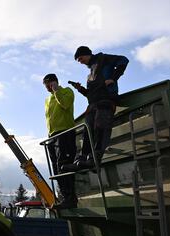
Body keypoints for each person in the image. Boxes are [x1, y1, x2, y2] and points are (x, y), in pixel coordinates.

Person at [64, 46, 129, 171]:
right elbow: (90, 94)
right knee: (87, 131)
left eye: (80, 58)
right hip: (92, 104)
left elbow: (124, 60)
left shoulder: (103, 59)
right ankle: (82, 159)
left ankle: (95, 159)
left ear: (87, 54)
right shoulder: (90, 75)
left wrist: (113, 78)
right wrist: (80, 89)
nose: (80, 61)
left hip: (106, 101)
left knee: (100, 127)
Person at [43, 74, 78, 209]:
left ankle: (70, 198)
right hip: (52, 135)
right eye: (45, 85)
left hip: (65, 132)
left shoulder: (67, 91)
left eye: (47, 84)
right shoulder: (47, 99)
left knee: (63, 164)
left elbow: (65, 104)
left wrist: (57, 90)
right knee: (56, 168)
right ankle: (64, 197)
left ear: (53, 82)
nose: (46, 87)